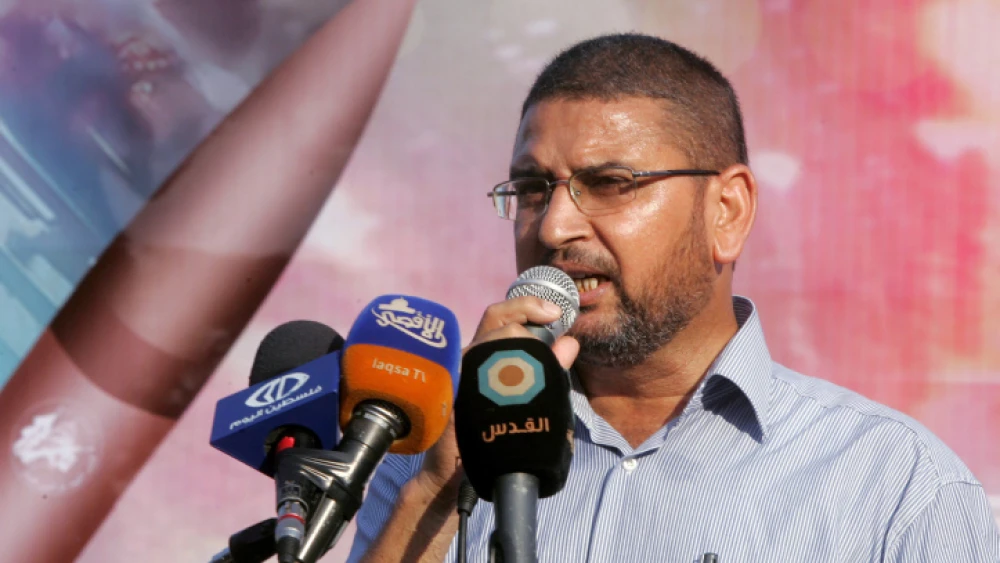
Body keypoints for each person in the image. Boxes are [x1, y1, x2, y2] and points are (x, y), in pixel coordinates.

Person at [348, 33, 1000, 562]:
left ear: (728, 210)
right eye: (532, 187)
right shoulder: (436, 459)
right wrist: (438, 486)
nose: (552, 227)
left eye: (610, 182)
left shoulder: (892, 485)